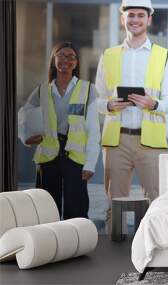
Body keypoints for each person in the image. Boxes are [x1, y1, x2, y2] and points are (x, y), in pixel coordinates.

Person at [95, 0, 168, 231]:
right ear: (123, 18)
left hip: (150, 142)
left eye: (141, 15)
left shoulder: (164, 56)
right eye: (131, 15)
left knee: (156, 201)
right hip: (116, 141)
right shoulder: (109, 55)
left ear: (149, 19)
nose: (135, 20)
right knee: (114, 202)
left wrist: (154, 103)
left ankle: (152, 252)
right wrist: (109, 106)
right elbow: (98, 100)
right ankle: (114, 253)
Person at [18, 41, 100, 219]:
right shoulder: (42, 91)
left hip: (75, 158)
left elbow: (93, 131)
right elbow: (23, 115)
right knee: (47, 209)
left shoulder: (87, 90)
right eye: (61, 55)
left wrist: (90, 163)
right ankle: (51, 244)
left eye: (71, 57)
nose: (66, 60)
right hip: (48, 157)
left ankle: (76, 245)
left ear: (76, 63)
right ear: (54, 60)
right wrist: (27, 138)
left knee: (76, 208)